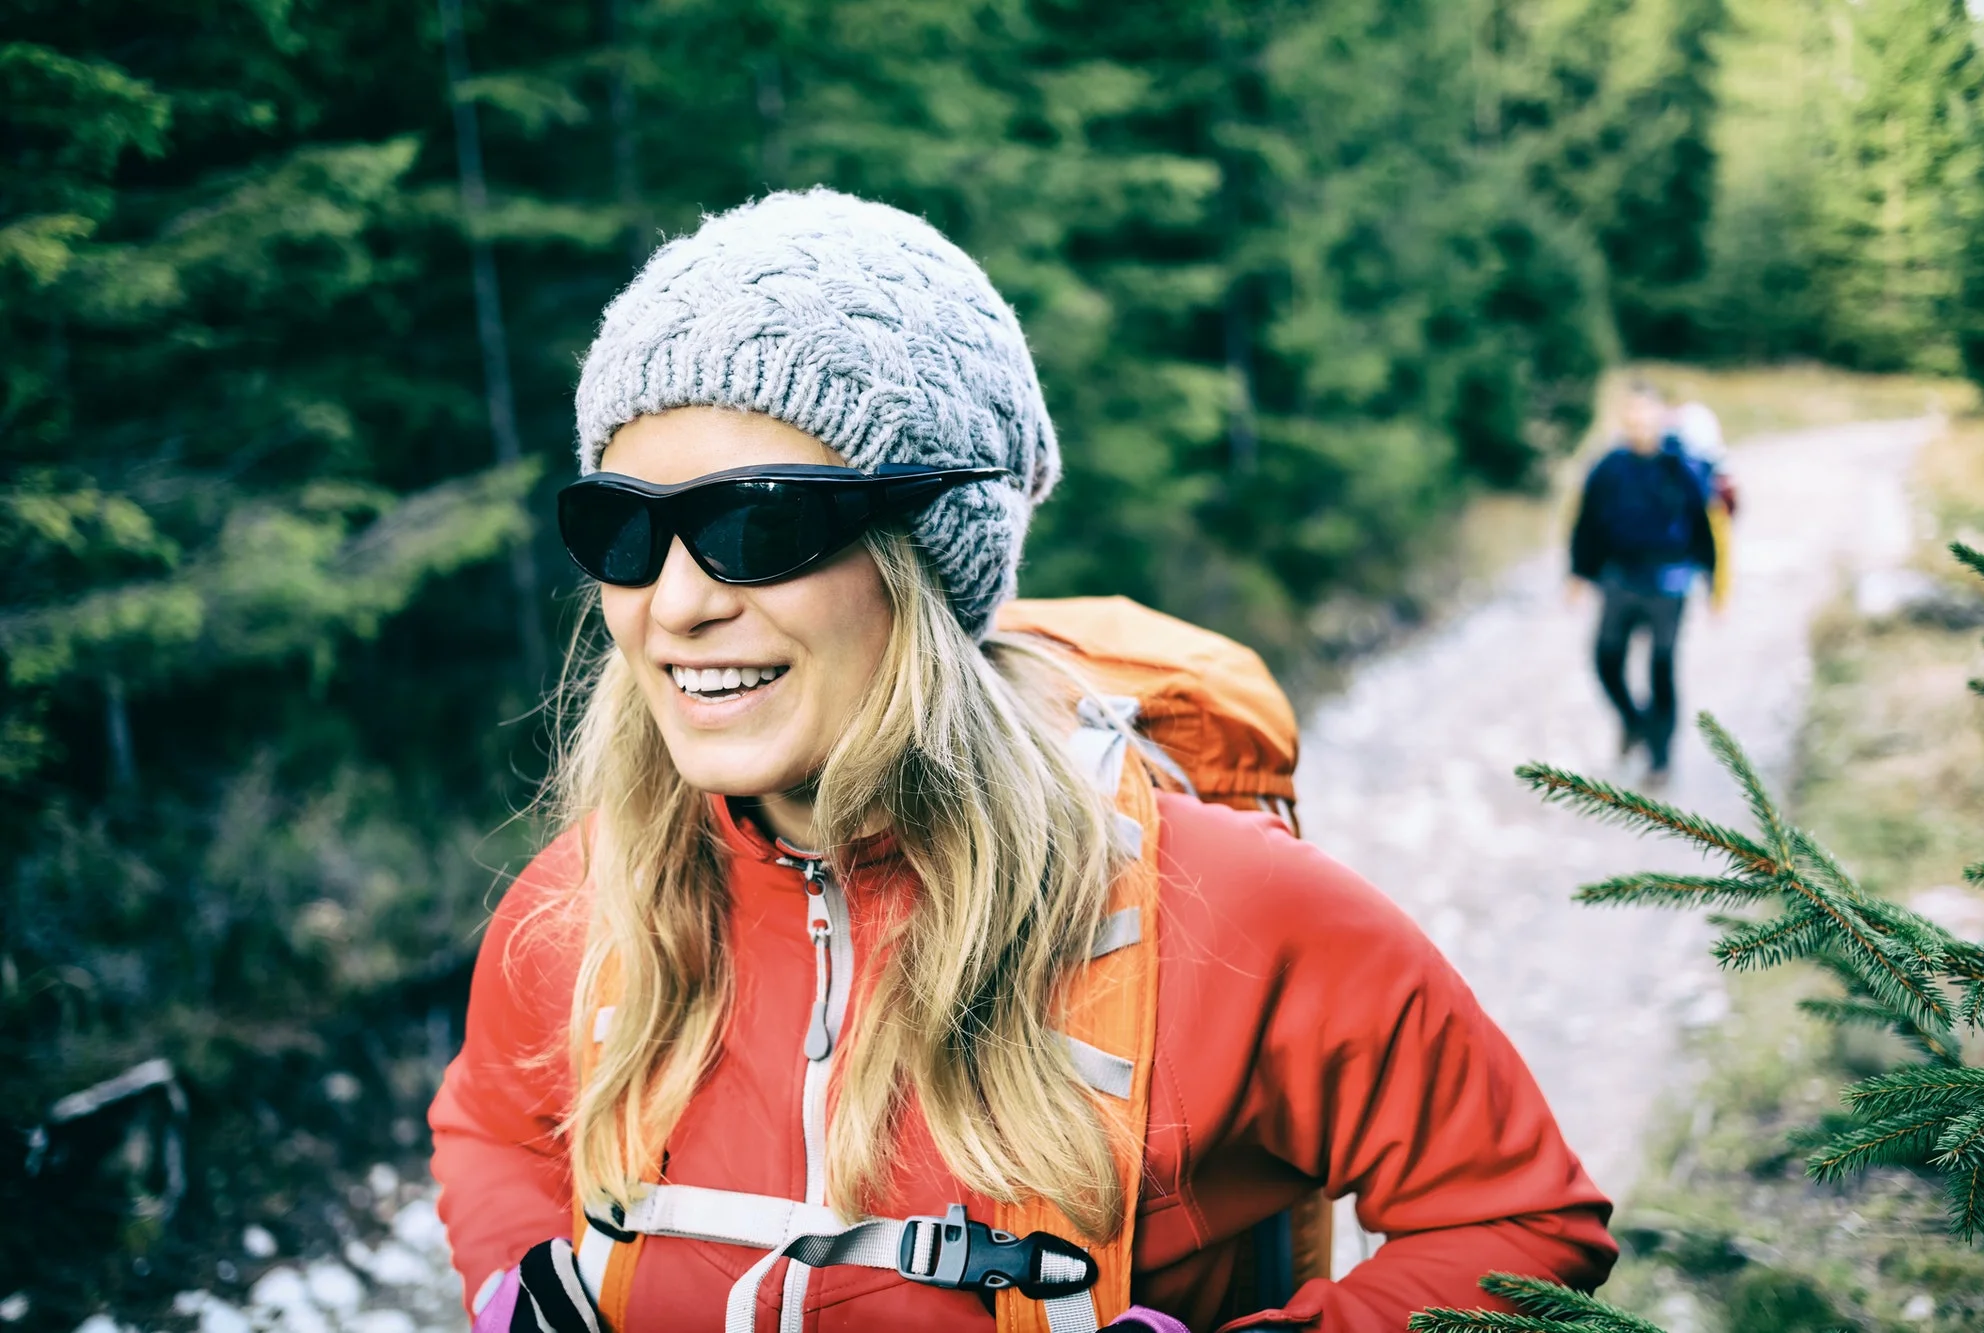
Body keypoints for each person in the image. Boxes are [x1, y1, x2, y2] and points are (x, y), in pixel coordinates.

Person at [429, 189, 1615, 1333]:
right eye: (622, 528)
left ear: (930, 556)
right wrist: (517, 1289)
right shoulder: (585, 904)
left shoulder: (1224, 909)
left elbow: (1519, 1222)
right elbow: (489, 1126)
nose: (674, 603)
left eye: (758, 524)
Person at [1569, 383, 1718, 776]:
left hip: (1670, 580)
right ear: (1623, 418)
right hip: (1619, 576)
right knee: (1606, 659)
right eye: (1631, 412)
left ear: (1660, 415)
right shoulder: (1608, 467)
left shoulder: (1682, 465)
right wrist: (1579, 573)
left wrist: (1715, 579)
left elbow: (1706, 524)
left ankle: (1660, 755)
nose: (1638, 420)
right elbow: (1586, 522)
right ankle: (1633, 720)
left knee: (1662, 665)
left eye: (1645, 411)